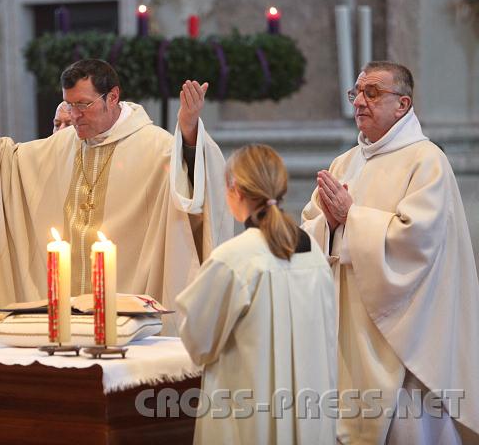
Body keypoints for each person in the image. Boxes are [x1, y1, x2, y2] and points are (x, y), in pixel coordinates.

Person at [0, 59, 233, 333]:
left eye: (83, 105)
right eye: (69, 106)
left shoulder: (156, 147)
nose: (75, 116)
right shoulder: (62, 145)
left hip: (130, 318)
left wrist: (189, 131)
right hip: (64, 314)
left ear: (113, 97)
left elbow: (194, 187)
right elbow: (3, 160)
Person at [301, 61, 479, 443]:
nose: (360, 102)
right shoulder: (344, 162)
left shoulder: (427, 161)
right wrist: (329, 226)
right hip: (350, 327)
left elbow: (417, 241)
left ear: (403, 104)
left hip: (406, 334)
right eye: (357, 93)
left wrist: (352, 216)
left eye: (373, 93)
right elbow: (311, 231)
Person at [177, 144, 336, 444]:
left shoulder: (234, 258)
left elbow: (199, 343)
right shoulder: (313, 253)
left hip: (245, 416)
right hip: (309, 415)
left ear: (235, 189)